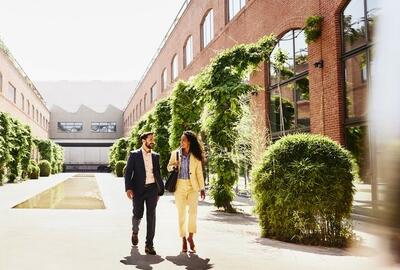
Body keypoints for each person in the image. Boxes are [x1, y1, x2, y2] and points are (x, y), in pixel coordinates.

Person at [124, 131, 164, 255]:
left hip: (152, 189)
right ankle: (135, 231)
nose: (152, 141)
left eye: (153, 139)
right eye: (150, 139)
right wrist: (128, 188)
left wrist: (159, 191)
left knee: (151, 216)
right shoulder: (134, 155)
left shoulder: (156, 156)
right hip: (138, 189)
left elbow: (158, 173)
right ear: (143, 140)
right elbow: (128, 172)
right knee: (137, 213)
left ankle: (149, 245)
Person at [167, 130, 206, 253]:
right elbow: (168, 167)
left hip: (192, 186)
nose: (181, 142)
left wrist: (202, 188)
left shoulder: (195, 155)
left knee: (193, 213)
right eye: (181, 140)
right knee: (181, 214)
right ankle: (183, 239)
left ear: (189, 141)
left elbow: (199, 173)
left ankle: (190, 237)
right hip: (179, 186)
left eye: (183, 140)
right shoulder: (175, 153)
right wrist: (174, 166)